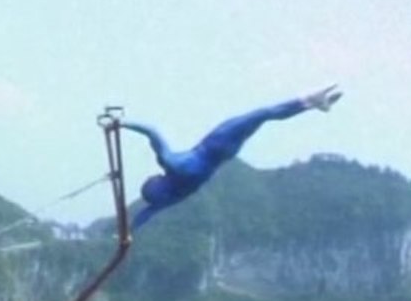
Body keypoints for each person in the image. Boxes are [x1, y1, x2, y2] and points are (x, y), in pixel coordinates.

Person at [121, 85, 344, 230]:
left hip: (224, 154)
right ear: (158, 182)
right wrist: (122, 124)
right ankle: (309, 100)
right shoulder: (171, 164)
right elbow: (151, 131)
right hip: (217, 141)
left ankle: (312, 104)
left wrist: (128, 233)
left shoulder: (177, 194)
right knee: (262, 114)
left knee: (263, 117)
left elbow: (147, 213)